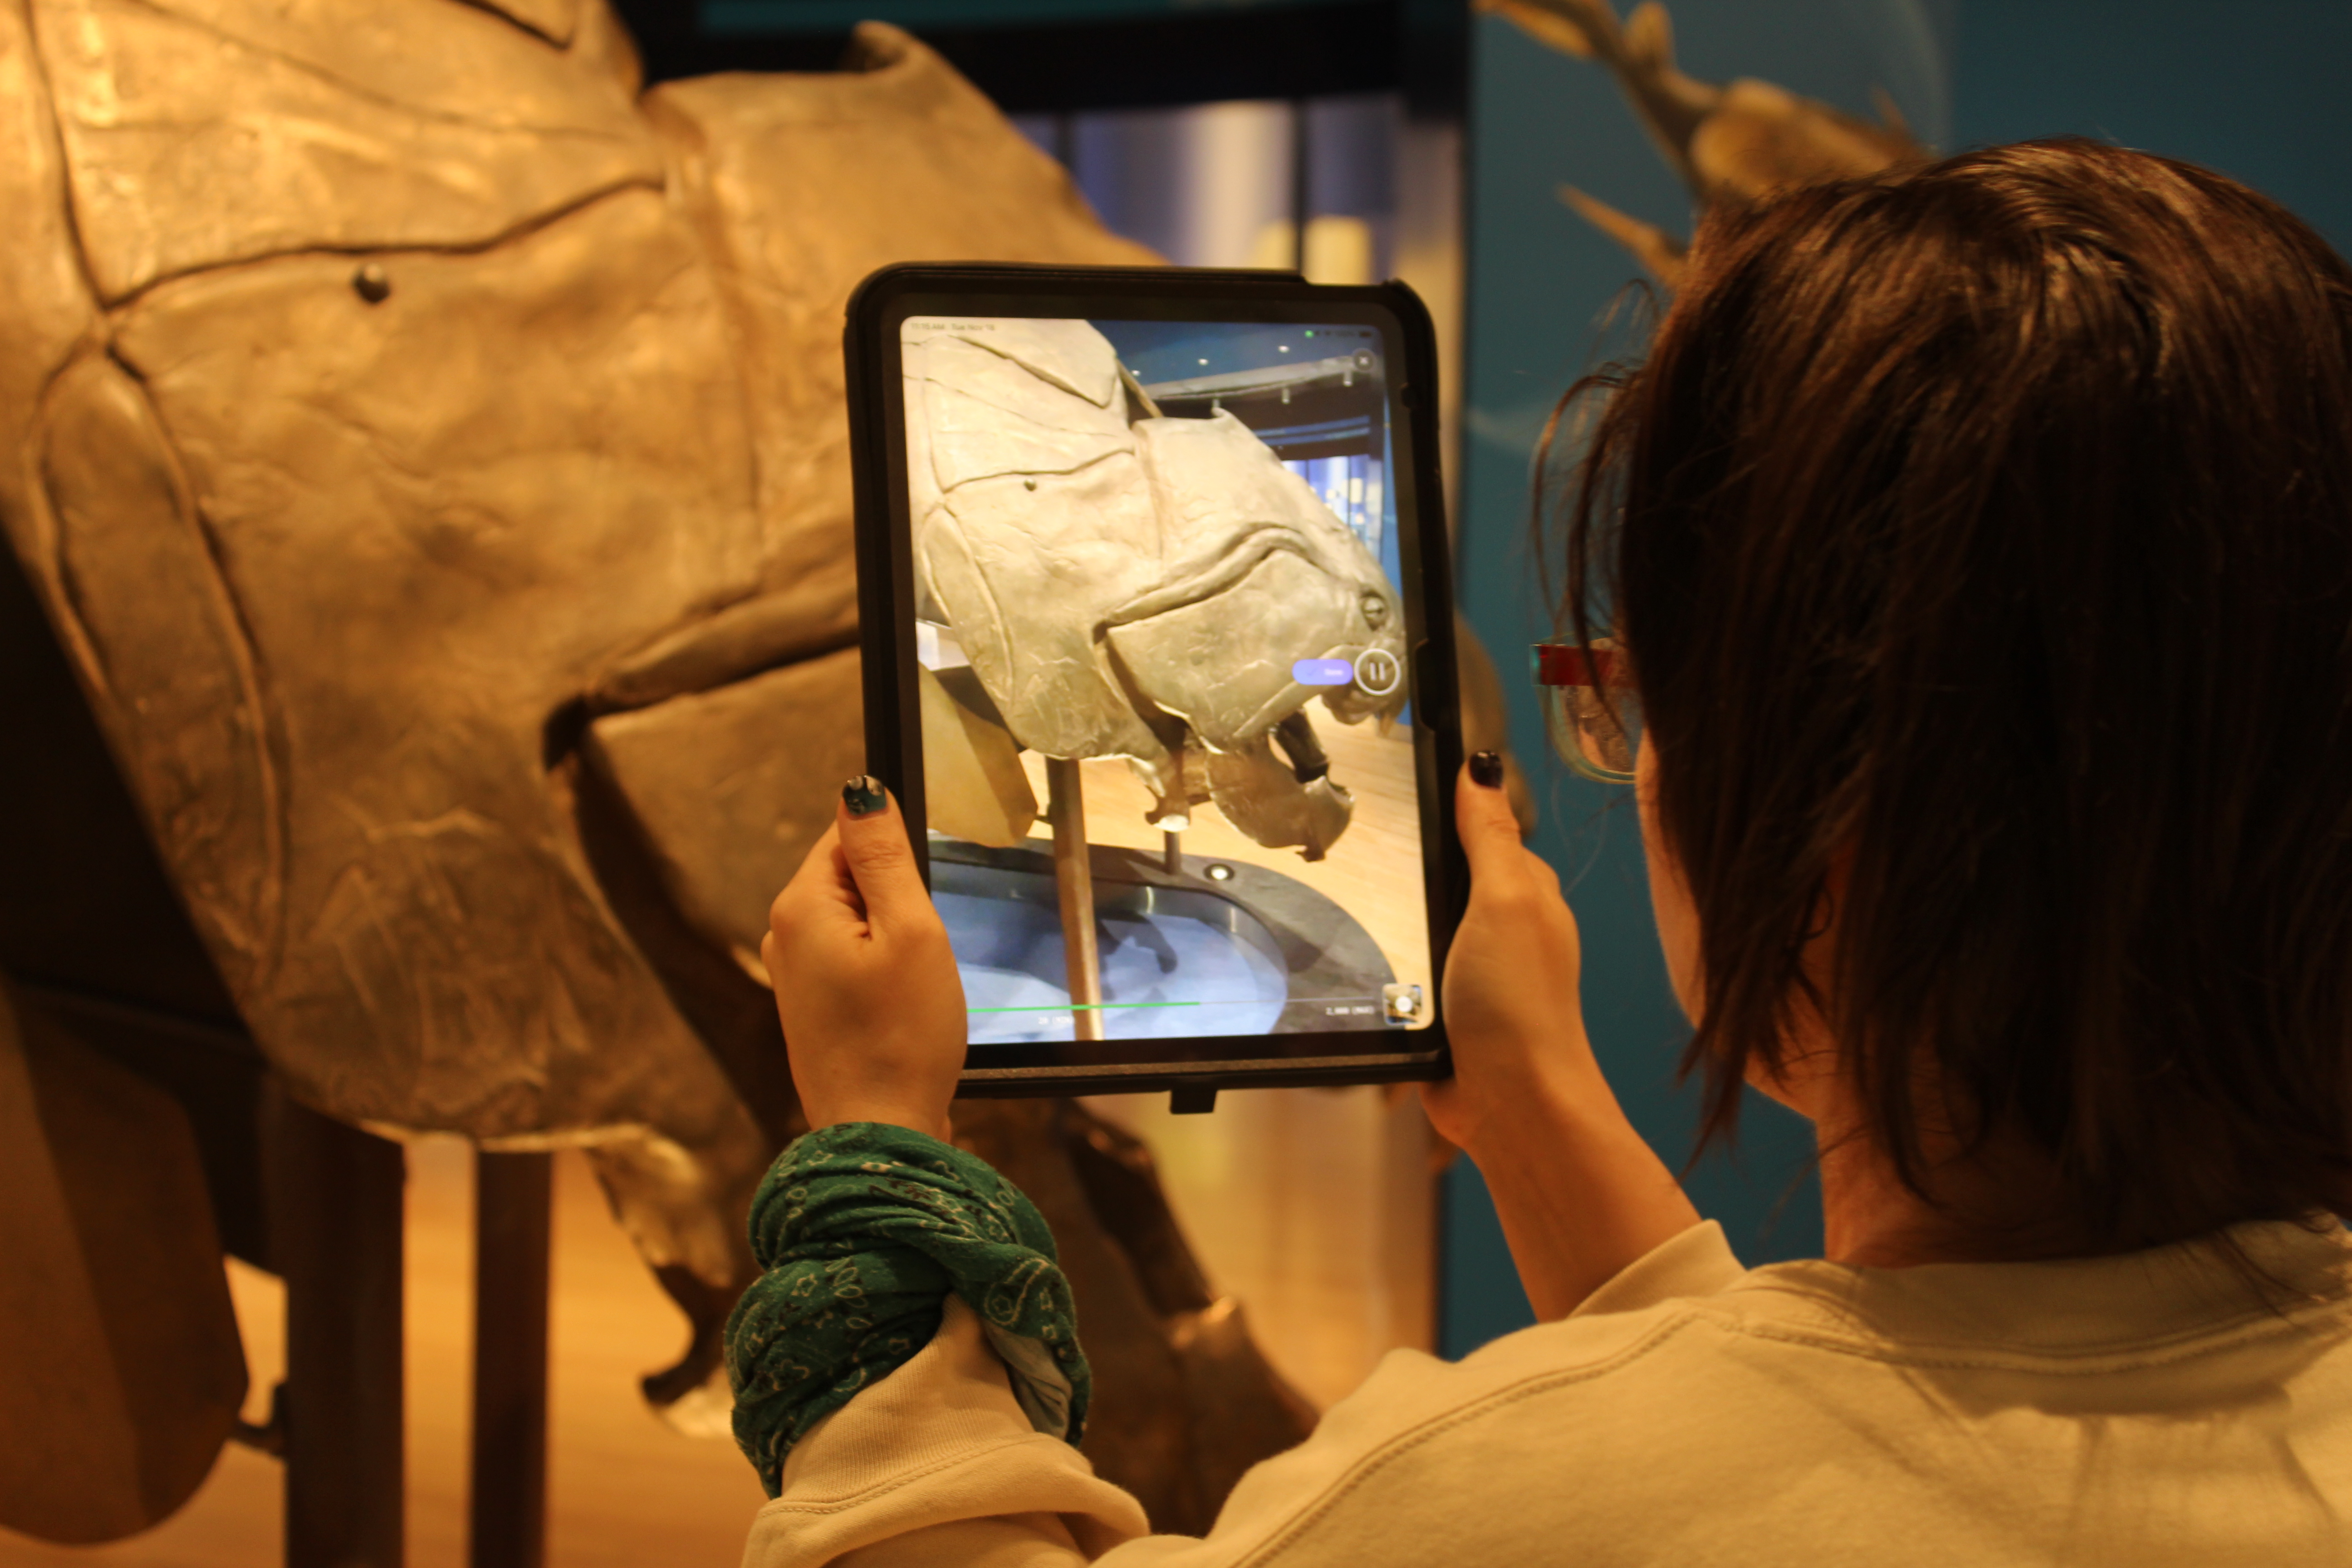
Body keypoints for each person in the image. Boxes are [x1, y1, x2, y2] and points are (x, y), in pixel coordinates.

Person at [738, 138, 2352, 1565]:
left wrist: (875, 1149)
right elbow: (1845, 1449)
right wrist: (1527, 1102)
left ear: (1821, 821)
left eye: (1643, 699)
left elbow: (1679, 1485)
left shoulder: (1459, 1510)